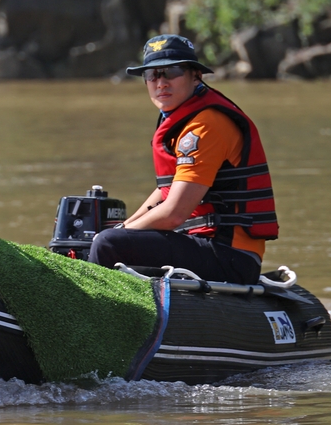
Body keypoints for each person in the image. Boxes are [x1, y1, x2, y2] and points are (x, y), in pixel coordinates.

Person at [88, 34, 278, 284]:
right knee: (96, 238)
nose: (160, 83)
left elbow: (174, 214)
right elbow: (166, 192)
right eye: (152, 75)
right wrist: (123, 227)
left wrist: (116, 236)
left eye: (171, 72)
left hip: (230, 256)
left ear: (195, 75)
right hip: (200, 243)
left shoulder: (206, 125)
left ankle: (88, 317)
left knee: (108, 244)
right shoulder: (180, 119)